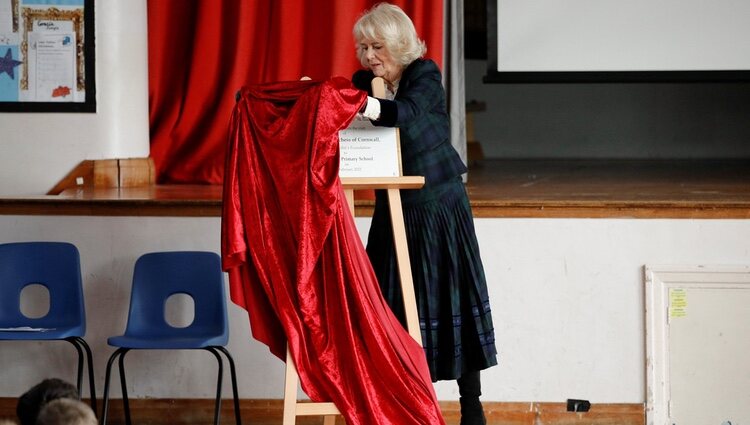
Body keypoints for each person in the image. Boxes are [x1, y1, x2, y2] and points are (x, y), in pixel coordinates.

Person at [351, 3, 498, 425]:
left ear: (399, 44)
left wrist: (370, 104)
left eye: (378, 46)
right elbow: (343, 103)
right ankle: (406, 406)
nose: (369, 56)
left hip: (439, 206)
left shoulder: (425, 75)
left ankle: (471, 406)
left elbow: (407, 114)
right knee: (389, 306)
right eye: (363, 47)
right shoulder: (367, 83)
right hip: (393, 207)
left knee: (453, 298)